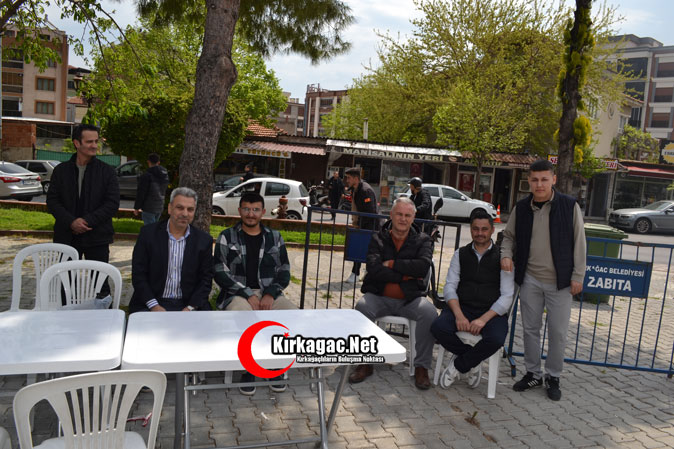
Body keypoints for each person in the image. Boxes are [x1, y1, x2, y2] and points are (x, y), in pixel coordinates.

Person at [501, 159, 586, 401]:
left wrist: (578, 275)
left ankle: (553, 376)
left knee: (557, 332)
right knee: (530, 329)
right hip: (530, 279)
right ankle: (533, 373)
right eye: (535, 180)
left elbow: (579, 242)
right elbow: (508, 236)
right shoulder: (521, 208)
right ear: (529, 181)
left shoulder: (569, 206)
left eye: (544, 179)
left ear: (553, 180)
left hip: (561, 282)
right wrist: (506, 254)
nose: (539, 185)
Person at [349, 197, 438, 390]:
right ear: (391, 215)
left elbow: (422, 267)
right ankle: (365, 362)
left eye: (407, 215)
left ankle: (421, 367)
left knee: (429, 313)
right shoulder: (378, 238)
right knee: (362, 307)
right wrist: (406, 275)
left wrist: (391, 264)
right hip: (379, 296)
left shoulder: (423, 240)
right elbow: (374, 269)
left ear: (413, 217)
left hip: (410, 299)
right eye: (399, 214)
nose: (403, 219)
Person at [213, 191, 293, 395]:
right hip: (237, 294)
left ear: (263, 212)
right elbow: (220, 271)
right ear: (239, 210)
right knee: (243, 316)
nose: (251, 214)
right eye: (247, 209)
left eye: (255, 209)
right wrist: (247, 293)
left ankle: (274, 364)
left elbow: (284, 270)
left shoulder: (275, 237)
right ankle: (249, 367)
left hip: (269, 293)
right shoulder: (226, 236)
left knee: (291, 314)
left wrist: (270, 294)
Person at [430, 209, 514, 389]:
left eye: (484, 229)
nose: (480, 233)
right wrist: (459, 315)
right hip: (463, 307)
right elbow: (450, 287)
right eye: (475, 229)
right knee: (438, 328)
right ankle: (472, 361)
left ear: (492, 230)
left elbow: (507, 296)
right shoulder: (460, 254)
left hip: (491, 312)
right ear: (470, 229)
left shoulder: (502, 258)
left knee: (496, 339)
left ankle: (459, 365)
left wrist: (483, 320)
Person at [47, 123, 120, 296]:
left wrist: (86, 221)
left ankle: (104, 314)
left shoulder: (107, 171)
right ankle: (65, 313)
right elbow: (52, 201)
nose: (94, 145)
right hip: (66, 237)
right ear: (76, 143)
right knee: (65, 286)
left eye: (96, 141)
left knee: (101, 286)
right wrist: (71, 222)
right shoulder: (61, 171)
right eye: (89, 142)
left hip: (97, 237)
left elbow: (112, 203)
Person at [128, 187, 214, 313]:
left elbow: (206, 280)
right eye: (180, 208)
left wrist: (190, 308)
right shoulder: (148, 234)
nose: (185, 213)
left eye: (190, 209)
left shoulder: (203, 241)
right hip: (151, 303)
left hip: (188, 304)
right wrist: (154, 306)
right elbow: (138, 274)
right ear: (169, 208)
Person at [344, 167, 379, 284]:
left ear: (356, 178)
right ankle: (365, 273)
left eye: (349, 178)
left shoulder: (365, 190)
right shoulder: (355, 189)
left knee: (363, 249)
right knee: (363, 249)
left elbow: (370, 212)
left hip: (371, 225)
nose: (347, 180)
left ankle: (357, 274)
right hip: (363, 224)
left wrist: (359, 224)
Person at [134, 153, 169, 225]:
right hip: (160, 206)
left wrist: (137, 207)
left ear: (148, 162)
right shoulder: (165, 175)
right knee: (155, 227)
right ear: (158, 162)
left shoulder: (146, 176)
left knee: (150, 229)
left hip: (148, 207)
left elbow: (141, 192)